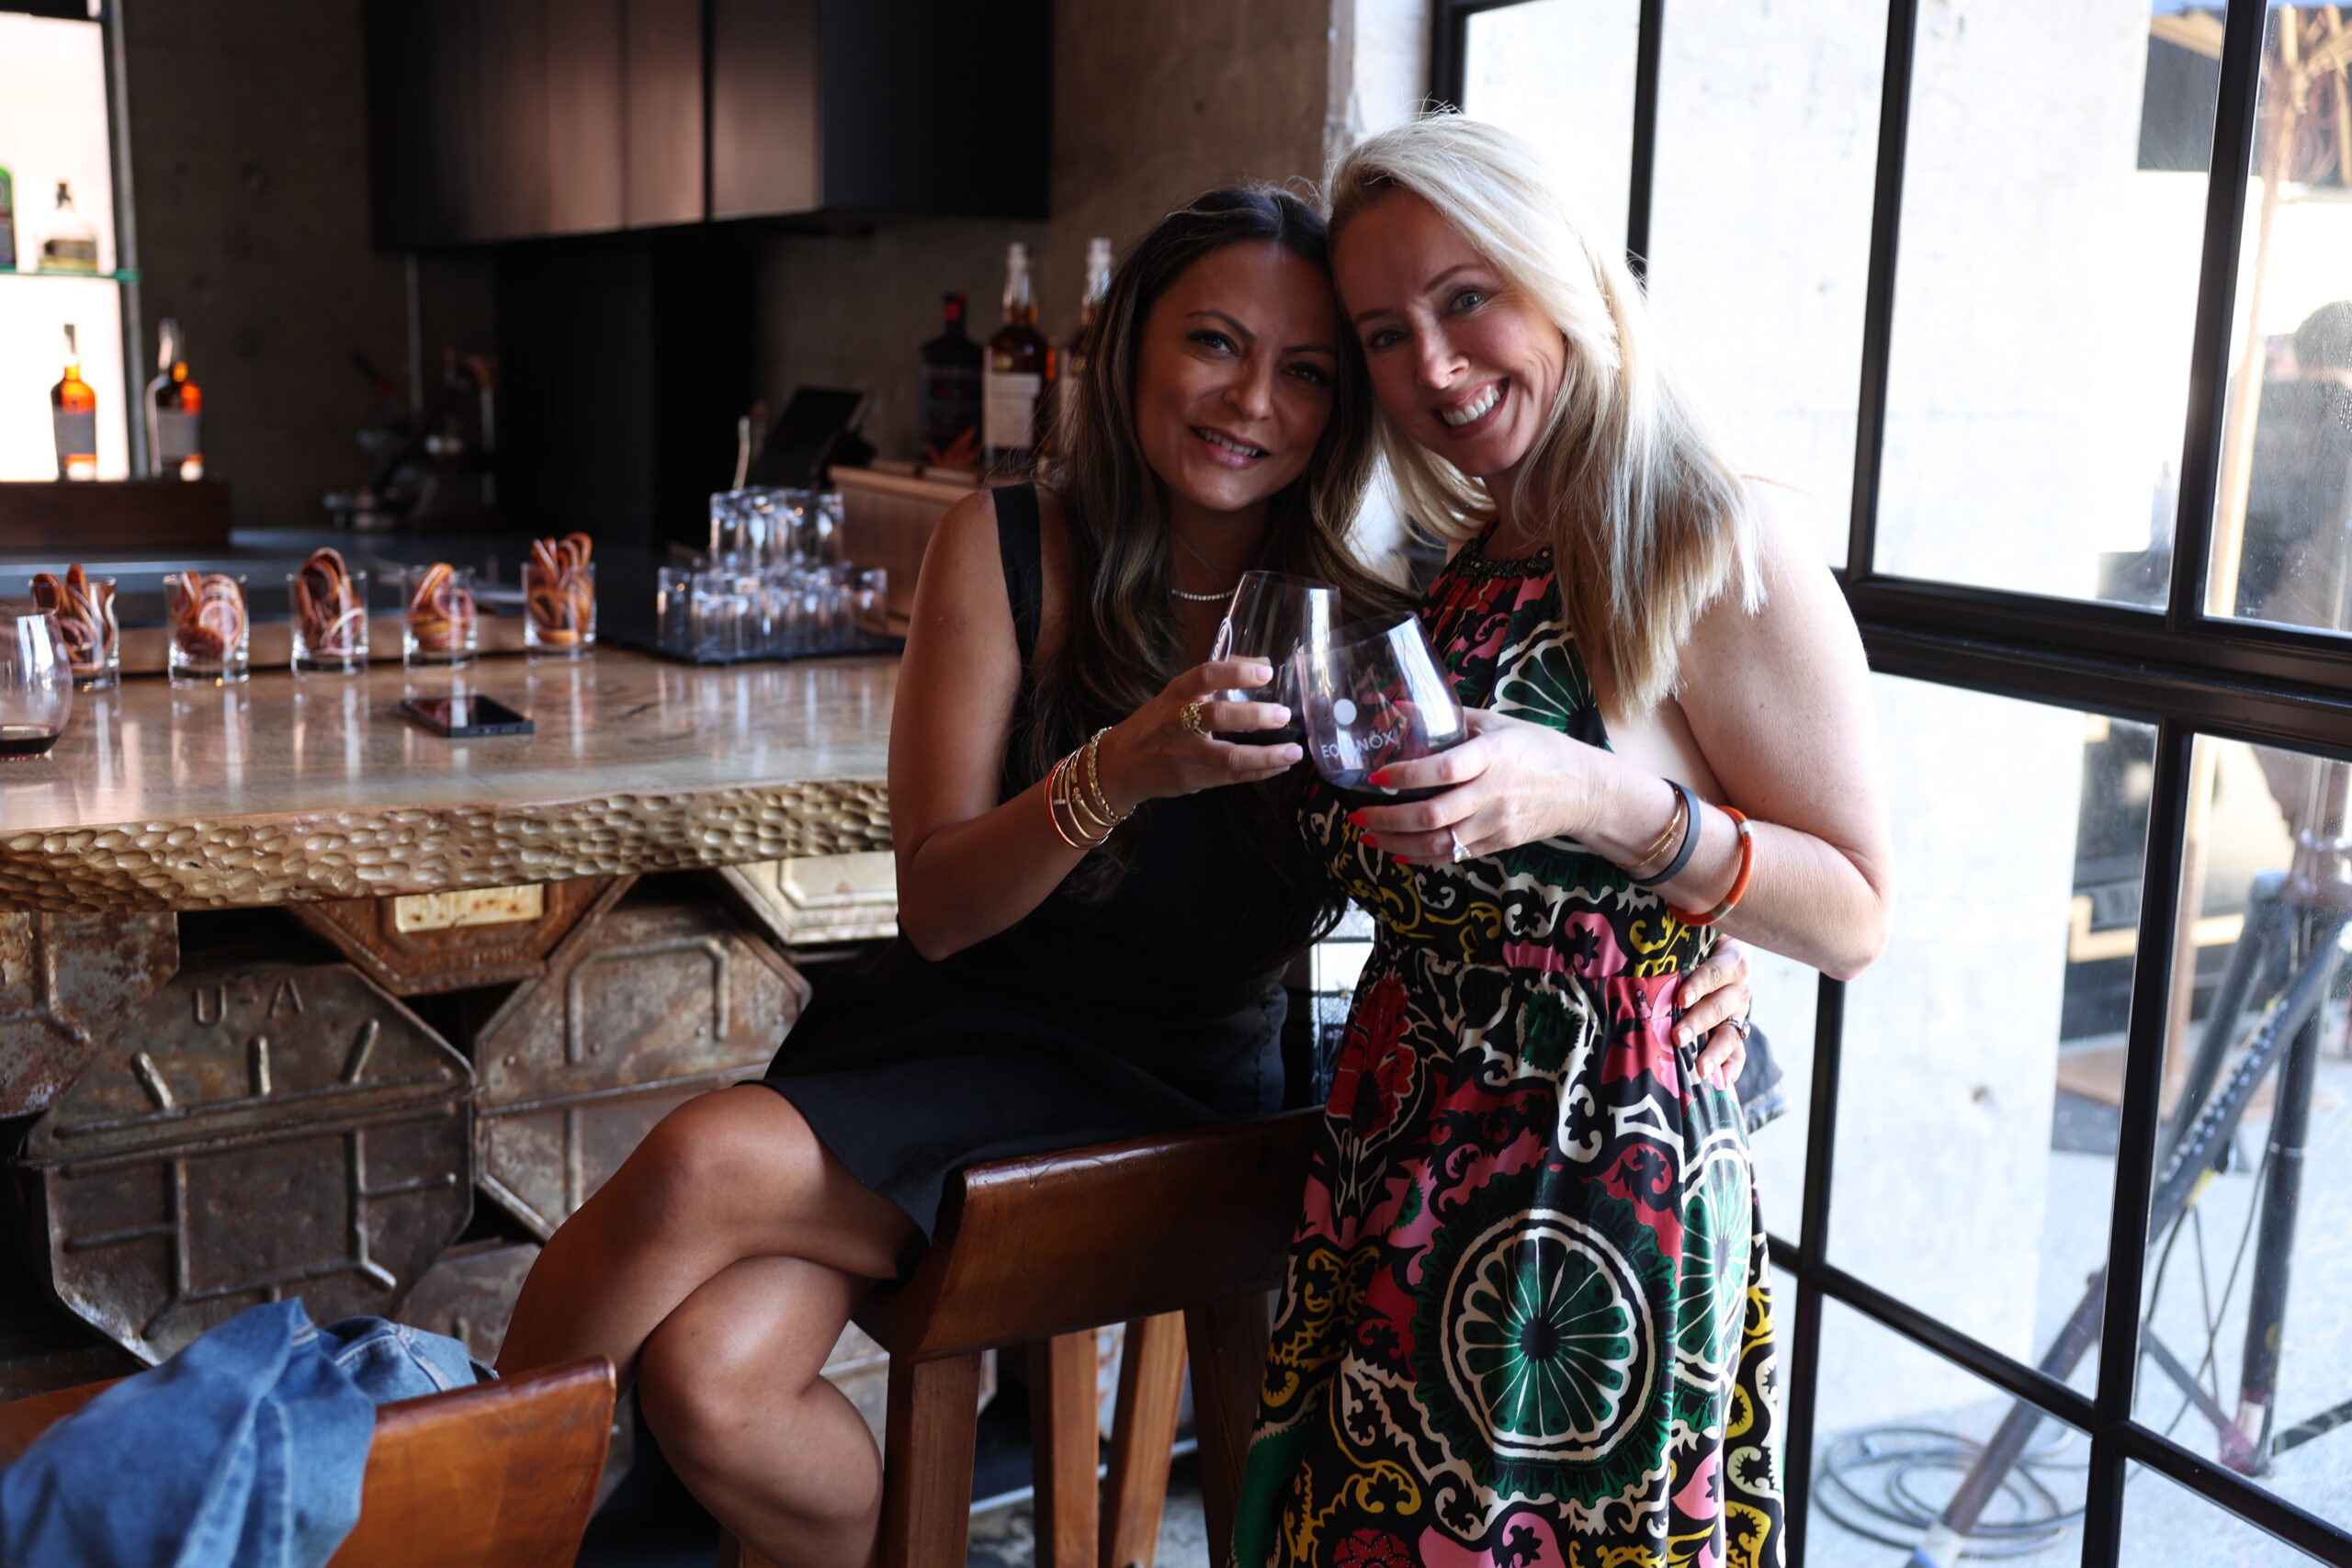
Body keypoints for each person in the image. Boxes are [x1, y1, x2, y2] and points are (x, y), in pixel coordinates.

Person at [494, 186, 1759, 1567]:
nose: (1253, 401)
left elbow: (1564, 804)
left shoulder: (1382, 607)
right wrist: (1115, 772)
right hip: (952, 1027)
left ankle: (454, 1531)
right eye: (1215, 343)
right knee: (713, 1384)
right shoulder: (1010, 546)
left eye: (1308, 372)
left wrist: (1703, 934)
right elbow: (938, 911)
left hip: (1182, 1072)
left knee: (698, 1160)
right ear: (1130, 344)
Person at [1229, 118, 1894, 1568]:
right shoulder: (1471, 556)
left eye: (1467, 298)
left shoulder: (1712, 534)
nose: (1433, 367)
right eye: (1385, 334)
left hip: (1584, 1201)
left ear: (1565, 276)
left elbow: (1853, 914)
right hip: (1403, 1145)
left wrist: (1601, 803)